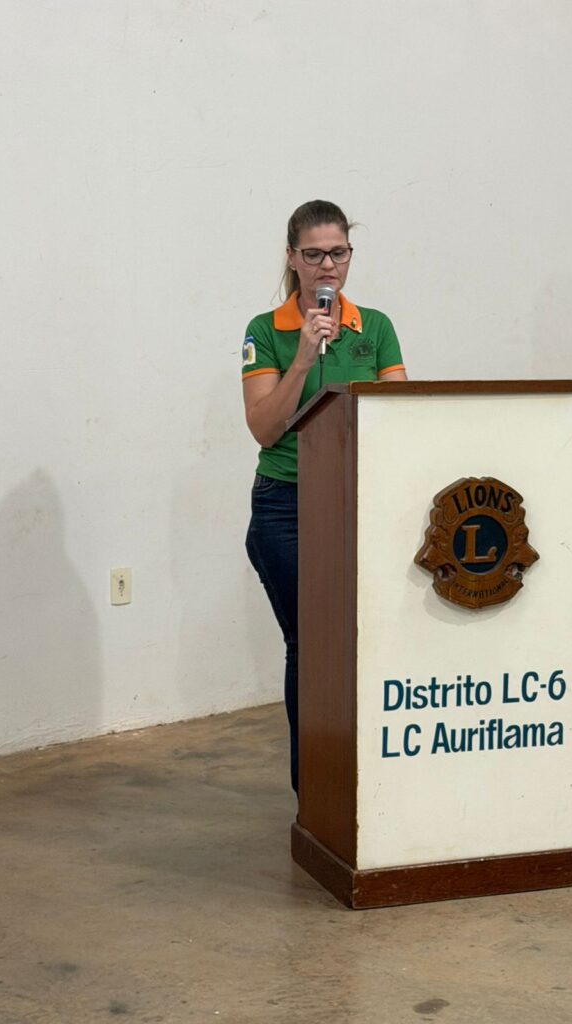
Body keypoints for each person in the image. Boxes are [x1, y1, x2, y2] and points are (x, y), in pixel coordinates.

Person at [242, 200, 408, 792]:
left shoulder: (375, 327)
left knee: (367, 640)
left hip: (358, 497)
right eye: (313, 254)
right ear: (292, 258)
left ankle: (366, 778)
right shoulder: (265, 331)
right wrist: (305, 355)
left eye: (338, 253)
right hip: (286, 504)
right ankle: (314, 791)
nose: (327, 266)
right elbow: (264, 429)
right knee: (311, 645)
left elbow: (399, 418)